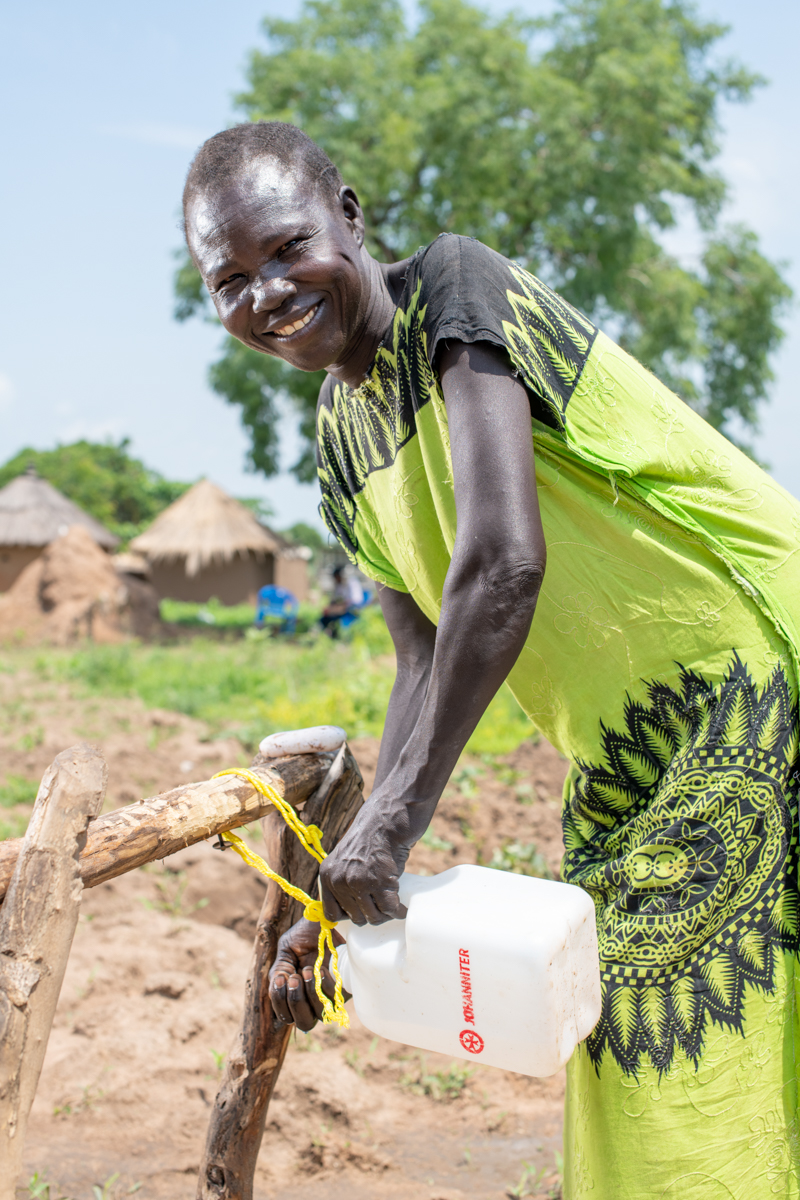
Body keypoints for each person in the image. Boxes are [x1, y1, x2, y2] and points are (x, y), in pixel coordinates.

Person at [182, 121, 800, 1198]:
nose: (267, 292)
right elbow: (418, 659)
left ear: (349, 215)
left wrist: (393, 827)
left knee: (665, 1020)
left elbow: (501, 562)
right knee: (634, 1030)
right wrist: (341, 888)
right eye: (229, 279)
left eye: (284, 249)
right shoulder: (337, 442)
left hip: (746, 675)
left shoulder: (455, 296)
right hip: (623, 746)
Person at [319, 563, 364, 635]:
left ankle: (337, 633)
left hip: (353, 607)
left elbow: (355, 599)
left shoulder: (351, 583)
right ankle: (330, 633)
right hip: (343, 607)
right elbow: (336, 599)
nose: (335, 580)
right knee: (324, 618)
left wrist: (340, 606)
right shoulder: (339, 585)